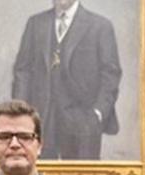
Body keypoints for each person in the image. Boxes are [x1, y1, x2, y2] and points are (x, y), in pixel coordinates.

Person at [12, 0, 122, 160]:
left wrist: (98, 112)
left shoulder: (100, 26)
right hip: (41, 119)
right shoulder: (36, 24)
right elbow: (23, 70)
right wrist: (21, 113)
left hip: (84, 120)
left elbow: (110, 73)